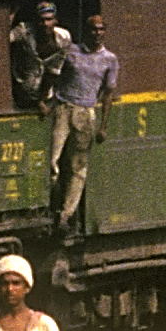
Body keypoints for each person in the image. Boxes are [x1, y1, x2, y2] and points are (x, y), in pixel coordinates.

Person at [46, 14, 119, 234]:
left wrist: (103, 126)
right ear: (86, 31)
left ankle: (66, 215)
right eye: (94, 29)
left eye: (101, 29)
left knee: (79, 167)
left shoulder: (110, 60)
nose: (98, 33)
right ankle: (51, 206)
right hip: (63, 107)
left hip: (86, 113)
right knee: (53, 161)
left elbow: (108, 94)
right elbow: (52, 73)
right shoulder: (71, 52)